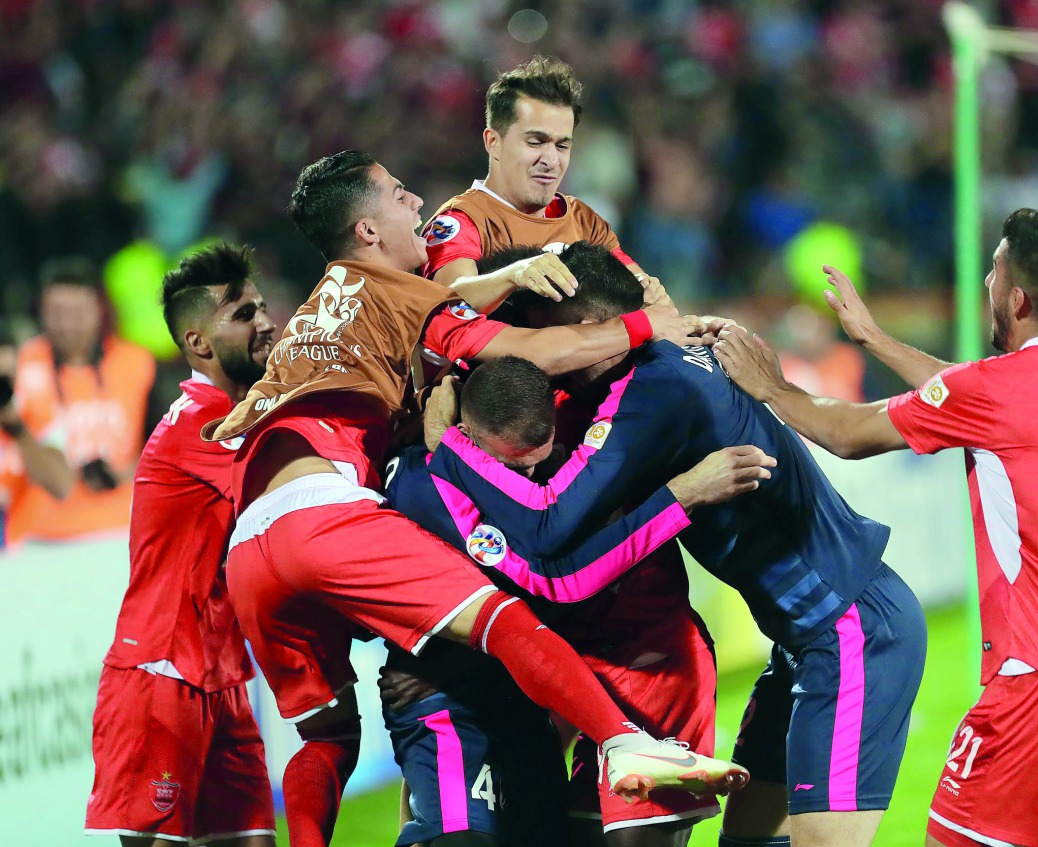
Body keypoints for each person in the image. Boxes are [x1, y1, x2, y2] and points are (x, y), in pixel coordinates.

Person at [200, 150, 747, 847]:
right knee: (505, 618)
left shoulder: (317, 308)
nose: (416, 203)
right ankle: (624, 743)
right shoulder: (401, 294)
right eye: (399, 194)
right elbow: (526, 349)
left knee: (326, 734)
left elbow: (453, 310)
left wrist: (507, 277)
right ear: (367, 230)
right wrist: (648, 326)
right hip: (324, 515)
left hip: (252, 542)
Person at [424, 241, 928, 847]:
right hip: (809, 639)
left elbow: (550, 528)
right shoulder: (663, 361)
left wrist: (449, 447)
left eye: (542, 338)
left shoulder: (654, 393)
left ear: (591, 329)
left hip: (852, 630)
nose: (539, 358)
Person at [712, 208, 1038, 847]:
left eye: (994, 272)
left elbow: (844, 433)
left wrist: (771, 389)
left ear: (1019, 297)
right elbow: (970, 391)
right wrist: (875, 339)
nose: (986, 282)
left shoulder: (1002, 390)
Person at [381, 356, 773, 847]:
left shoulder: (608, 415)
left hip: (648, 663)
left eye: (536, 460)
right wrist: (683, 497)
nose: (525, 477)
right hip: (546, 681)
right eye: (508, 465)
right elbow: (553, 579)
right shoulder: (429, 477)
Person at [463, 245, 727, 846]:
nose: (532, 350)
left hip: (654, 666)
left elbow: (553, 544)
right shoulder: (536, 407)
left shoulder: (642, 398)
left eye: (538, 333)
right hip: (575, 679)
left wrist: (678, 499)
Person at [85, 243, 278, 846]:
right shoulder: (202, 422)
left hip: (222, 673)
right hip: (160, 672)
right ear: (198, 343)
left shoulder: (242, 413)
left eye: (263, 307)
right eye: (243, 314)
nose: (266, 322)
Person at [421, 56, 660, 302]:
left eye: (562, 146)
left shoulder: (584, 221)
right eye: (536, 142)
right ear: (493, 142)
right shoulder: (461, 222)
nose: (551, 160)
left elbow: (651, 300)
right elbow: (448, 303)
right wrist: (512, 276)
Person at [6, 257, 156, 543]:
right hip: (41, 534)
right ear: (42, 313)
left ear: (98, 310)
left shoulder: (137, 363)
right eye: (57, 313)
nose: (68, 324)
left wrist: (125, 471)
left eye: (77, 312)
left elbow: (175, 448)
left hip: (121, 532)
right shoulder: (18, 366)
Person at [0, 322, 72, 547]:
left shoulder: (35, 412)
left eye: (6, 381)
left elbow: (61, 486)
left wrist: (19, 430)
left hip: (20, 550)